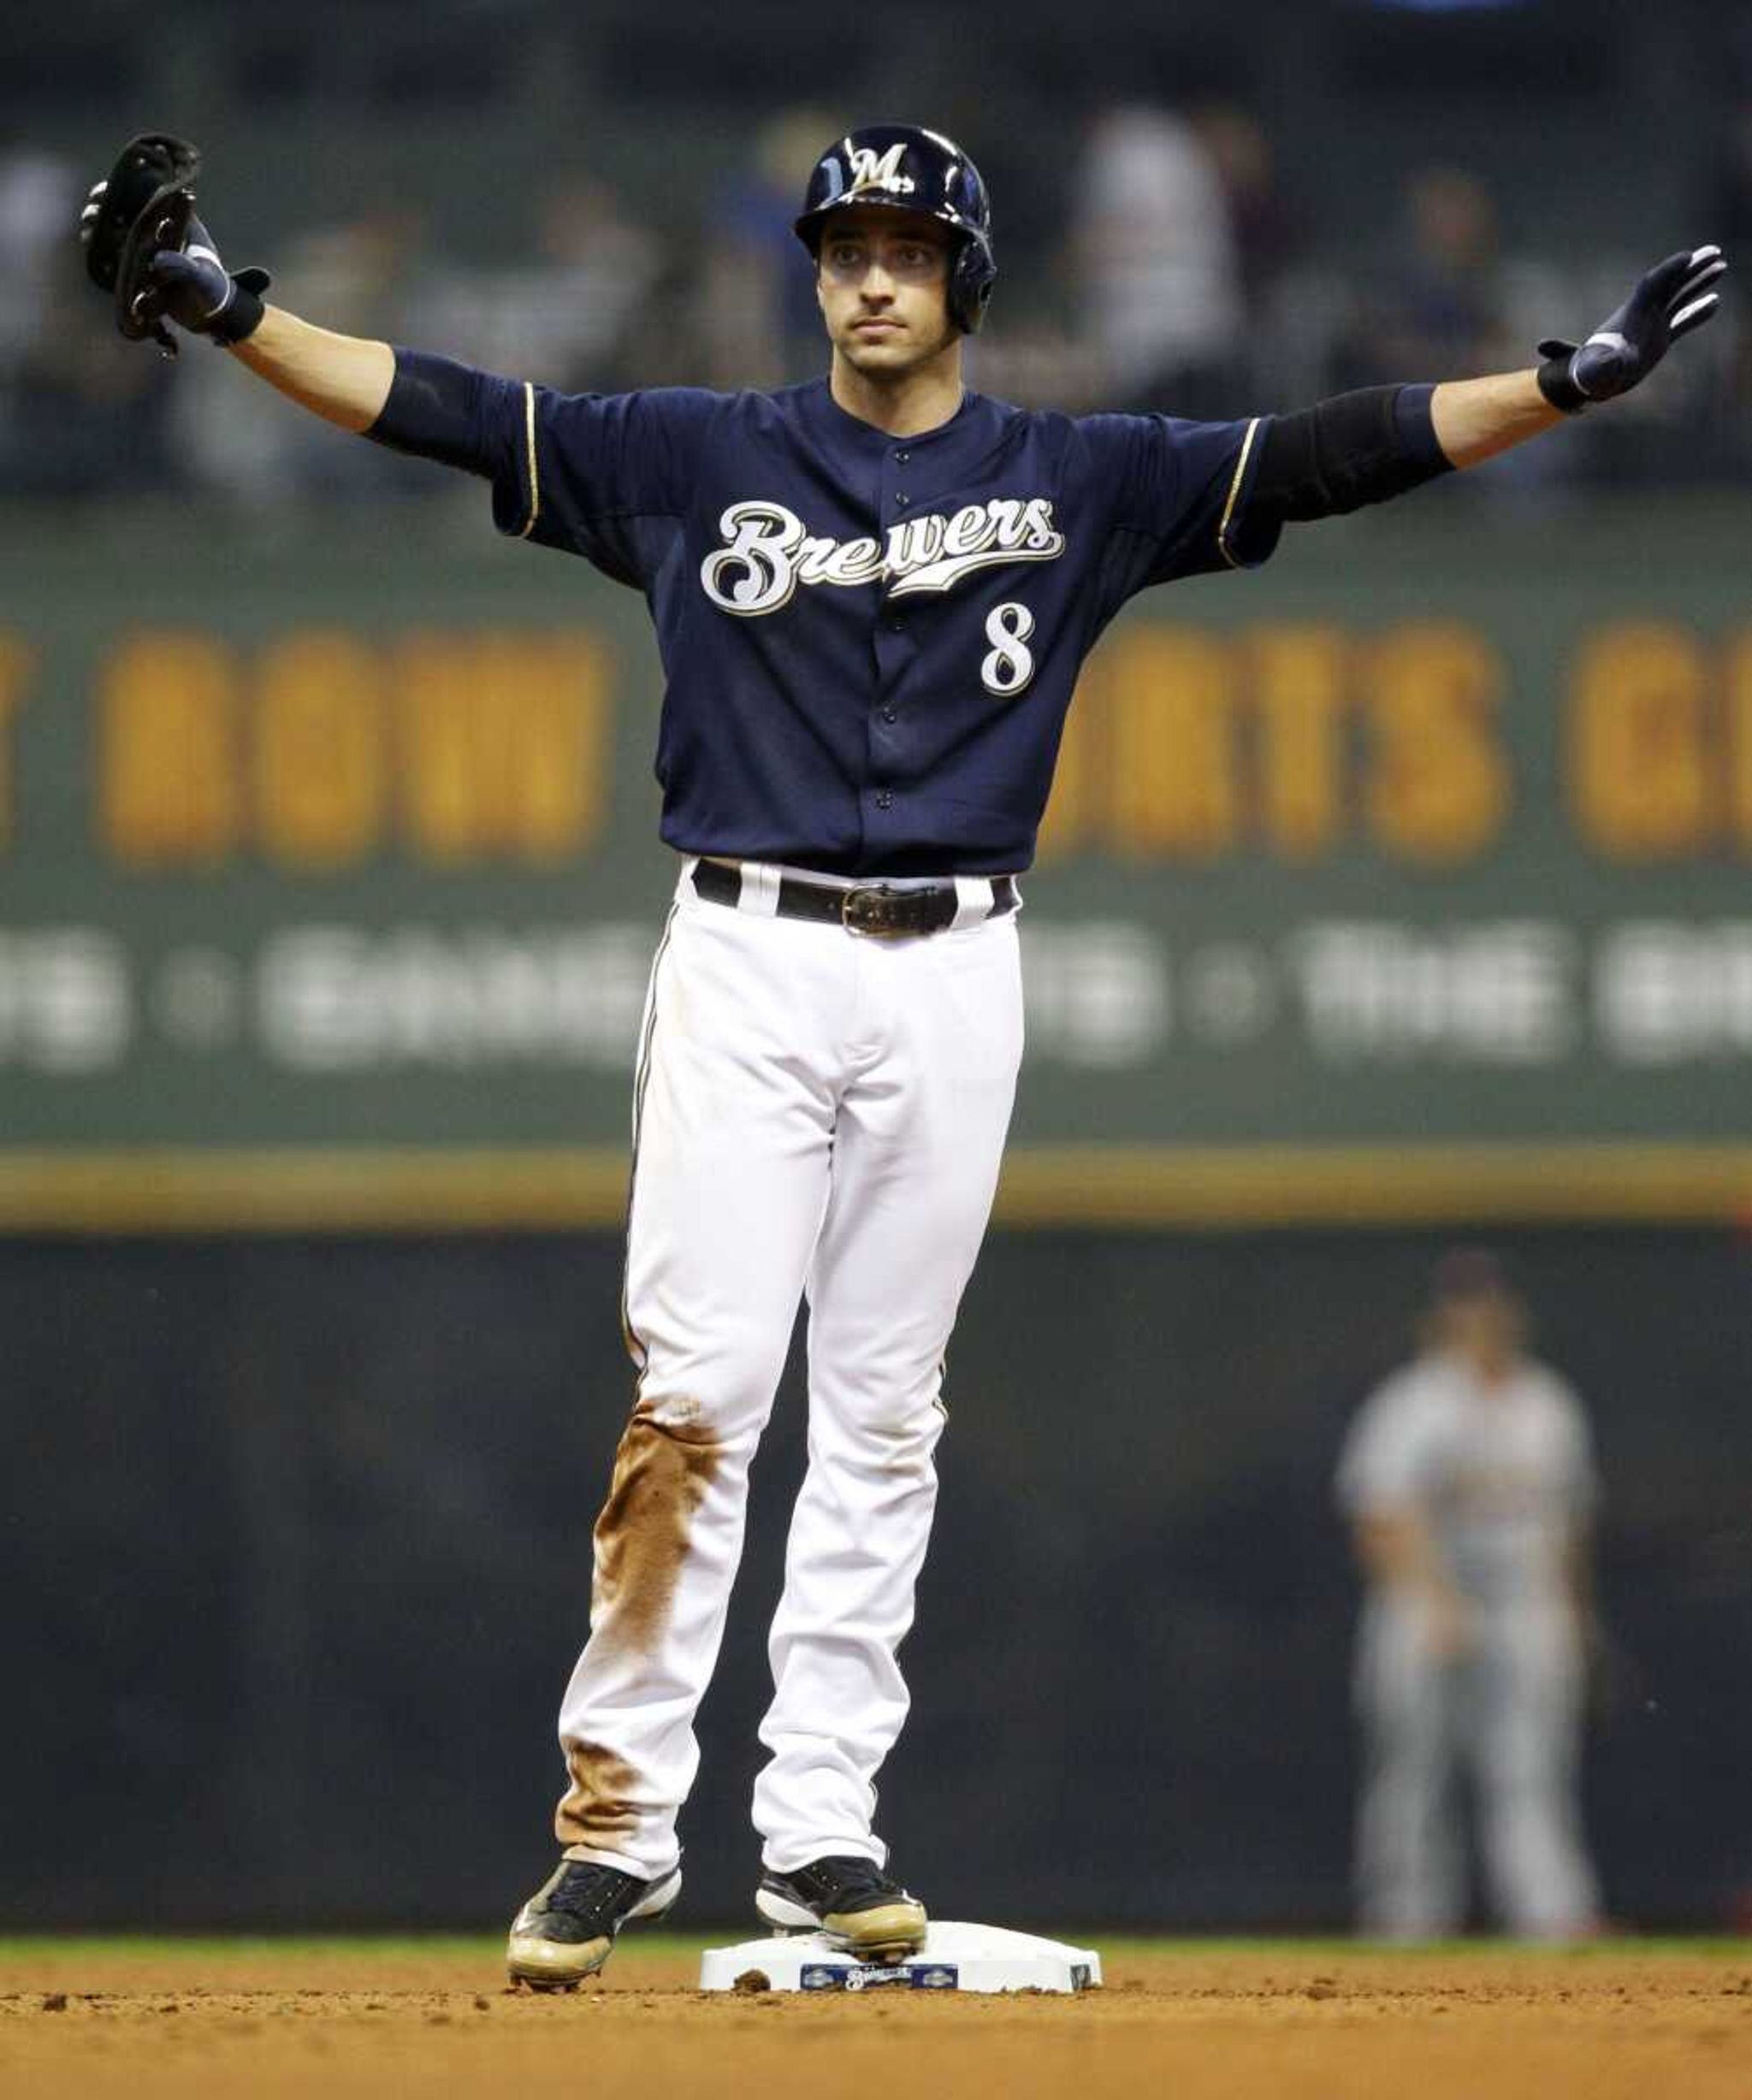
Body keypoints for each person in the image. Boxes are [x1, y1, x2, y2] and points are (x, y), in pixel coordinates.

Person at [80, 124, 1722, 1986]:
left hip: (956, 968)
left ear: (966, 278)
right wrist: (229, 311)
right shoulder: (698, 455)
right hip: (748, 956)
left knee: (884, 1412)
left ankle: (820, 1829)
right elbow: (445, 408)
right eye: (845, 244)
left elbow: (1332, 451)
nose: (872, 274)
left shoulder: (1076, 476)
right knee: (697, 1394)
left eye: (908, 247)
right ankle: (614, 1827)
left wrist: (1563, 383)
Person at [1335, 1251, 1606, 1940]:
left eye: (1489, 1305)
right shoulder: (1413, 1401)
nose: (1480, 1319)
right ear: (1440, 1318)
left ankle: (1554, 1918)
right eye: (1465, 1305)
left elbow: (1570, 1528)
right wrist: (1432, 1599)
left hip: (1523, 1605)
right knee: (1414, 1774)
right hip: (1426, 1602)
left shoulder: (1548, 1404)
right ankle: (1404, 1923)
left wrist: (1578, 1620)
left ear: (1512, 1314)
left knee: (1532, 1767)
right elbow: (1378, 1514)